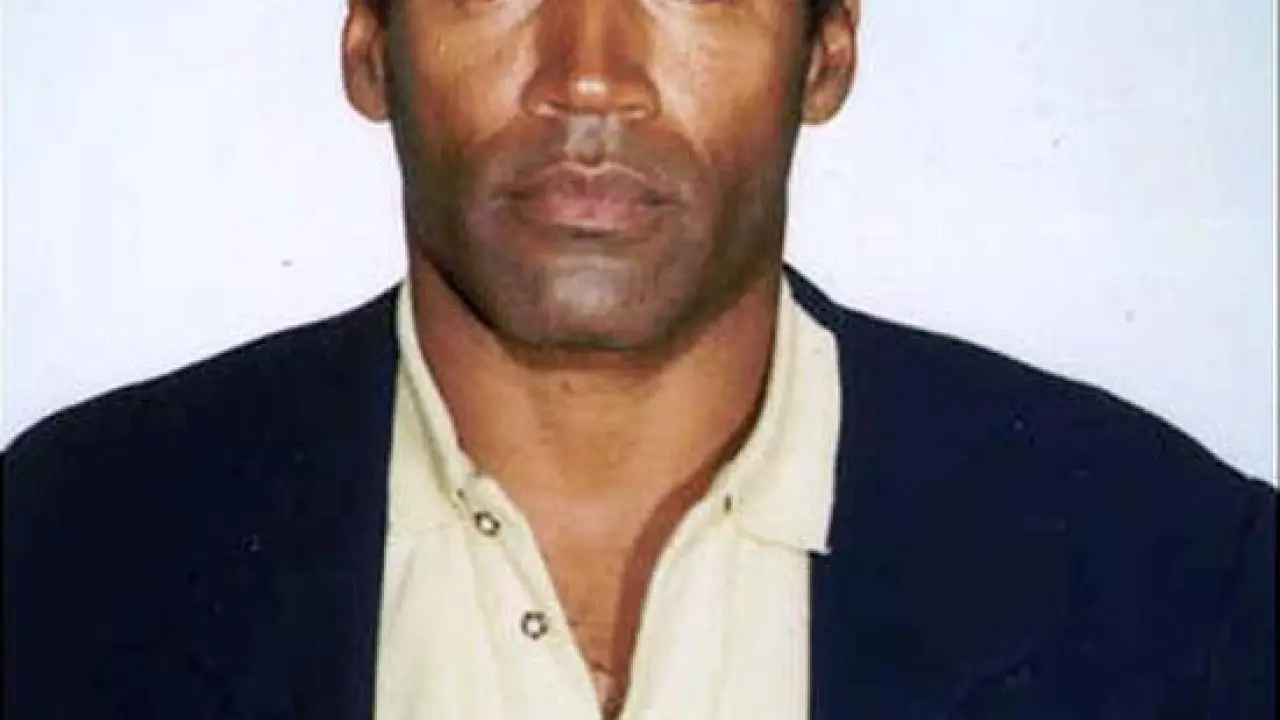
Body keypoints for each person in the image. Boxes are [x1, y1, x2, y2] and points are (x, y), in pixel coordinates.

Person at [3, 0, 1274, 717]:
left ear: (825, 55)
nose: (590, 78)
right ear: (367, 47)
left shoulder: (1185, 586)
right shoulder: (57, 556)